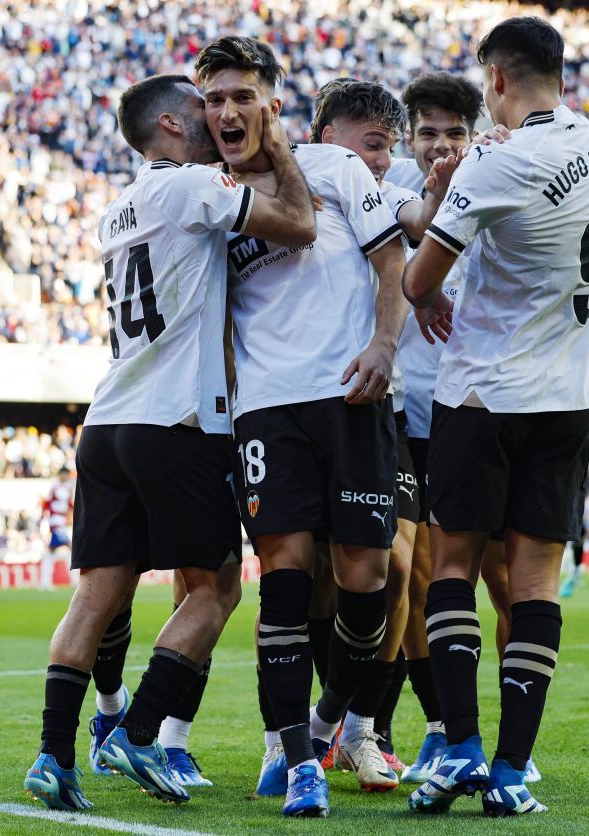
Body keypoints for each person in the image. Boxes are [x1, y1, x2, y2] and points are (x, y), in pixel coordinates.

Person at [23, 72, 316, 812]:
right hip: (175, 420)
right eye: (201, 106)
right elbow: (298, 223)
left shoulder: (115, 208)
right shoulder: (187, 189)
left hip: (110, 418)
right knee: (217, 586)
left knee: (96, 592)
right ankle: (141, 729)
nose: (216, 115)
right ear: (170, 128)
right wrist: (276, 141)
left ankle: (55, 755)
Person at [196, 36, 407, 818]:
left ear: (273, 103)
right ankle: (297, 757)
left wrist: (385, 342)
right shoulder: (210, 197)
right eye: (214, 98)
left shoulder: (337, 168)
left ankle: (327, 724)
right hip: (267, 408)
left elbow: (392, 264)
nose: (227, 110)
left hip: (351, 394)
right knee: (282, 581)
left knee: (366, 580)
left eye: (241, 95)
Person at [403, 17, 589, 816]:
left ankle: (458, 750)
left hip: (484, 392)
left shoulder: (492, 165)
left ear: (493, 77)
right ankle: (514, 773)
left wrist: (459, 179)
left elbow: (421, 284)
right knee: (534, 584)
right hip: (567, 397)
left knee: (452, 569)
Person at [384, 70, 549, 786]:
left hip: (485, 404)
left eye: (456, 132)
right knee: (410, 580)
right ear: (407, 139)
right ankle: (441, 728)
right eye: (428, 134)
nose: (442, 146)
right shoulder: (389, 183)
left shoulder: (500, 169)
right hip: (406, 411)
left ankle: (515, 736)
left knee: (505, 580)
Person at [308, 77, 459, 785]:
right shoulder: (308, 176)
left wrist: (422, 283)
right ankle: (296, 737)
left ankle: (362, 728)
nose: (418, 148)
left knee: (400, 570)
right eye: (416, 133)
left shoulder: (393, 178)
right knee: (305, 579)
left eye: (446, 132)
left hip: (385, 403)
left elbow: (420, 222)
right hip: (297, 402)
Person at [39, 464, 75, 590]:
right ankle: (73, 580)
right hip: (56, 522)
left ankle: (45, 581)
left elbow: (70, 506)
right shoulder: (55, 488)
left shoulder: (67, 488)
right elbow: (46, 504)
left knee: (52, 551)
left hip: (63, 522)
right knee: (69, 548)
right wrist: (43, 519)